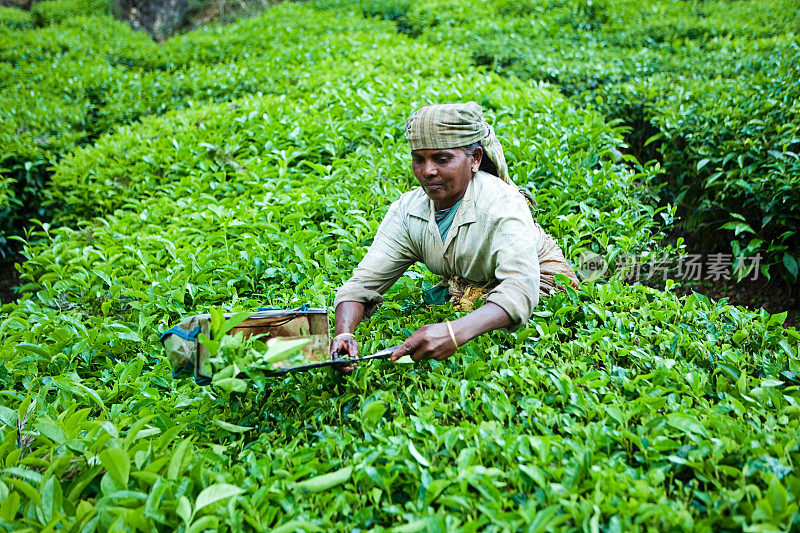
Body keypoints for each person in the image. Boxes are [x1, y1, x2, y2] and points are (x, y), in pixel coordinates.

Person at [331, 102, 579, 371]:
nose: (427, 171)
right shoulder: (408, 211)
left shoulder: (501, 205)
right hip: (470, 283)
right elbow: (363, 284)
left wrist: (453, 333)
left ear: (474, 159)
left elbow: (519, 290)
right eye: (419, 159)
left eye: (442, 159)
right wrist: (344, 333)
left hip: (541, 284)